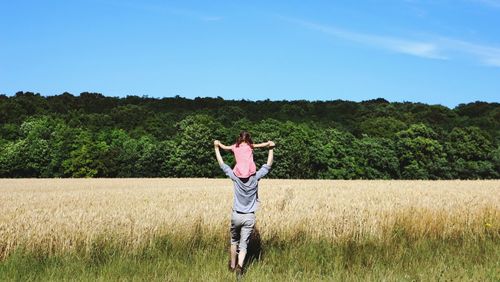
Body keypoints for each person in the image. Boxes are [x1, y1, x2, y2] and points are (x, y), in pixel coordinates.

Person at [214, 139, 275, 278]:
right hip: (249, 216)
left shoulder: (235, 177)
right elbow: (268, 165)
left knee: (234, 241)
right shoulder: (255, 177)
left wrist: (217, 148)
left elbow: (222, 165)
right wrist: (271, 148)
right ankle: (240, 266)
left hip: (236, 215)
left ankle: (232, 265)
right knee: (244, 245)